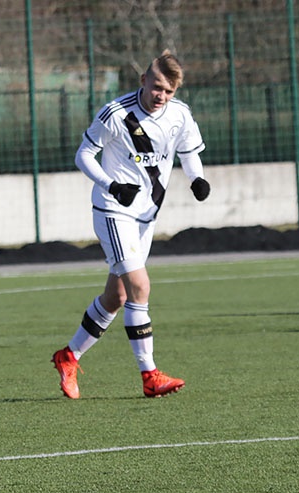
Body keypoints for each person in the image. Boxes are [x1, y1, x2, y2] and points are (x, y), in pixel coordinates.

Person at [52, 50, 210, 399]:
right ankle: (149, 375)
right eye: (156, 87)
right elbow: (83, 154)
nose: (161, 96)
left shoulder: (179, 115)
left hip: (146, 216)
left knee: (117, 296)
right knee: (139, 287)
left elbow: (189, 152)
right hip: (113, 209)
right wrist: (112, 185)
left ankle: (69, 356)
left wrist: (197, 178)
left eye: (168, 91)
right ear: (144, 80)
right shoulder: (116, 114)